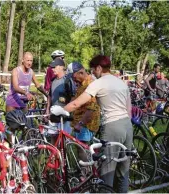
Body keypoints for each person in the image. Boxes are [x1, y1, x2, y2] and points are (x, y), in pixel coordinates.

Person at [51, 55, 132, 193]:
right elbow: (128, 109)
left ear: (99, 68)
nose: (93, 72)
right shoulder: (121, 83)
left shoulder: (99, 83)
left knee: (107, 171)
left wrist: (60, 110)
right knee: (123, 170)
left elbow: (77, 103)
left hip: (112, 126)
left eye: (94, 69)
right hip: (127, 126)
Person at [46, 58, 73, 141]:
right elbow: (50, 96)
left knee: (64, 140)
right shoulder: (53, 80)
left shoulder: (68, 80)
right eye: (52, 67)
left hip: (65, 116)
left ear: (61, 67)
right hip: (53, 114)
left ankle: (64, 154)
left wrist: (68, 111)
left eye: (55, 67)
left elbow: (72, 97)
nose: (52, 69)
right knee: (53, 138)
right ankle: (55, 154)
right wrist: (47, 110)